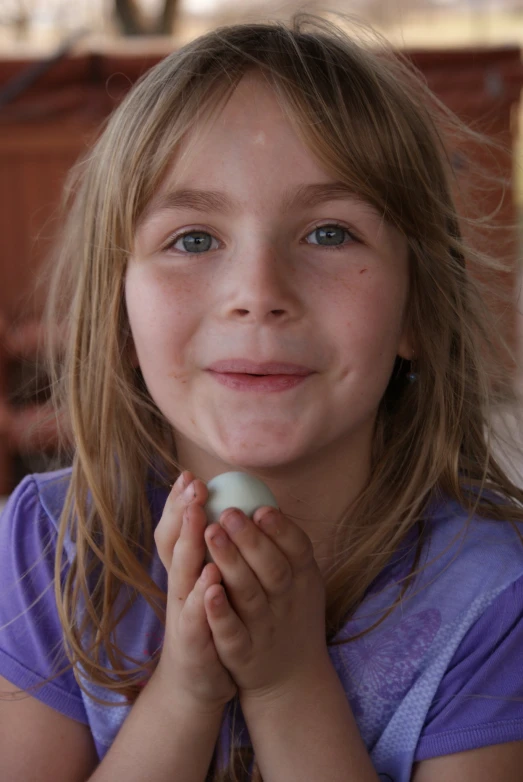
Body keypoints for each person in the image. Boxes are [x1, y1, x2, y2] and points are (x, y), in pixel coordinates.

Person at [1, 11, 523, 782]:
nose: (257, 293)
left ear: (418, 307)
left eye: (328, 234)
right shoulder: (51, 548)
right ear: (119, 313)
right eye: (193, 240)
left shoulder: (492, 596)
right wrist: (185, 688)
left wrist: (288, 685)